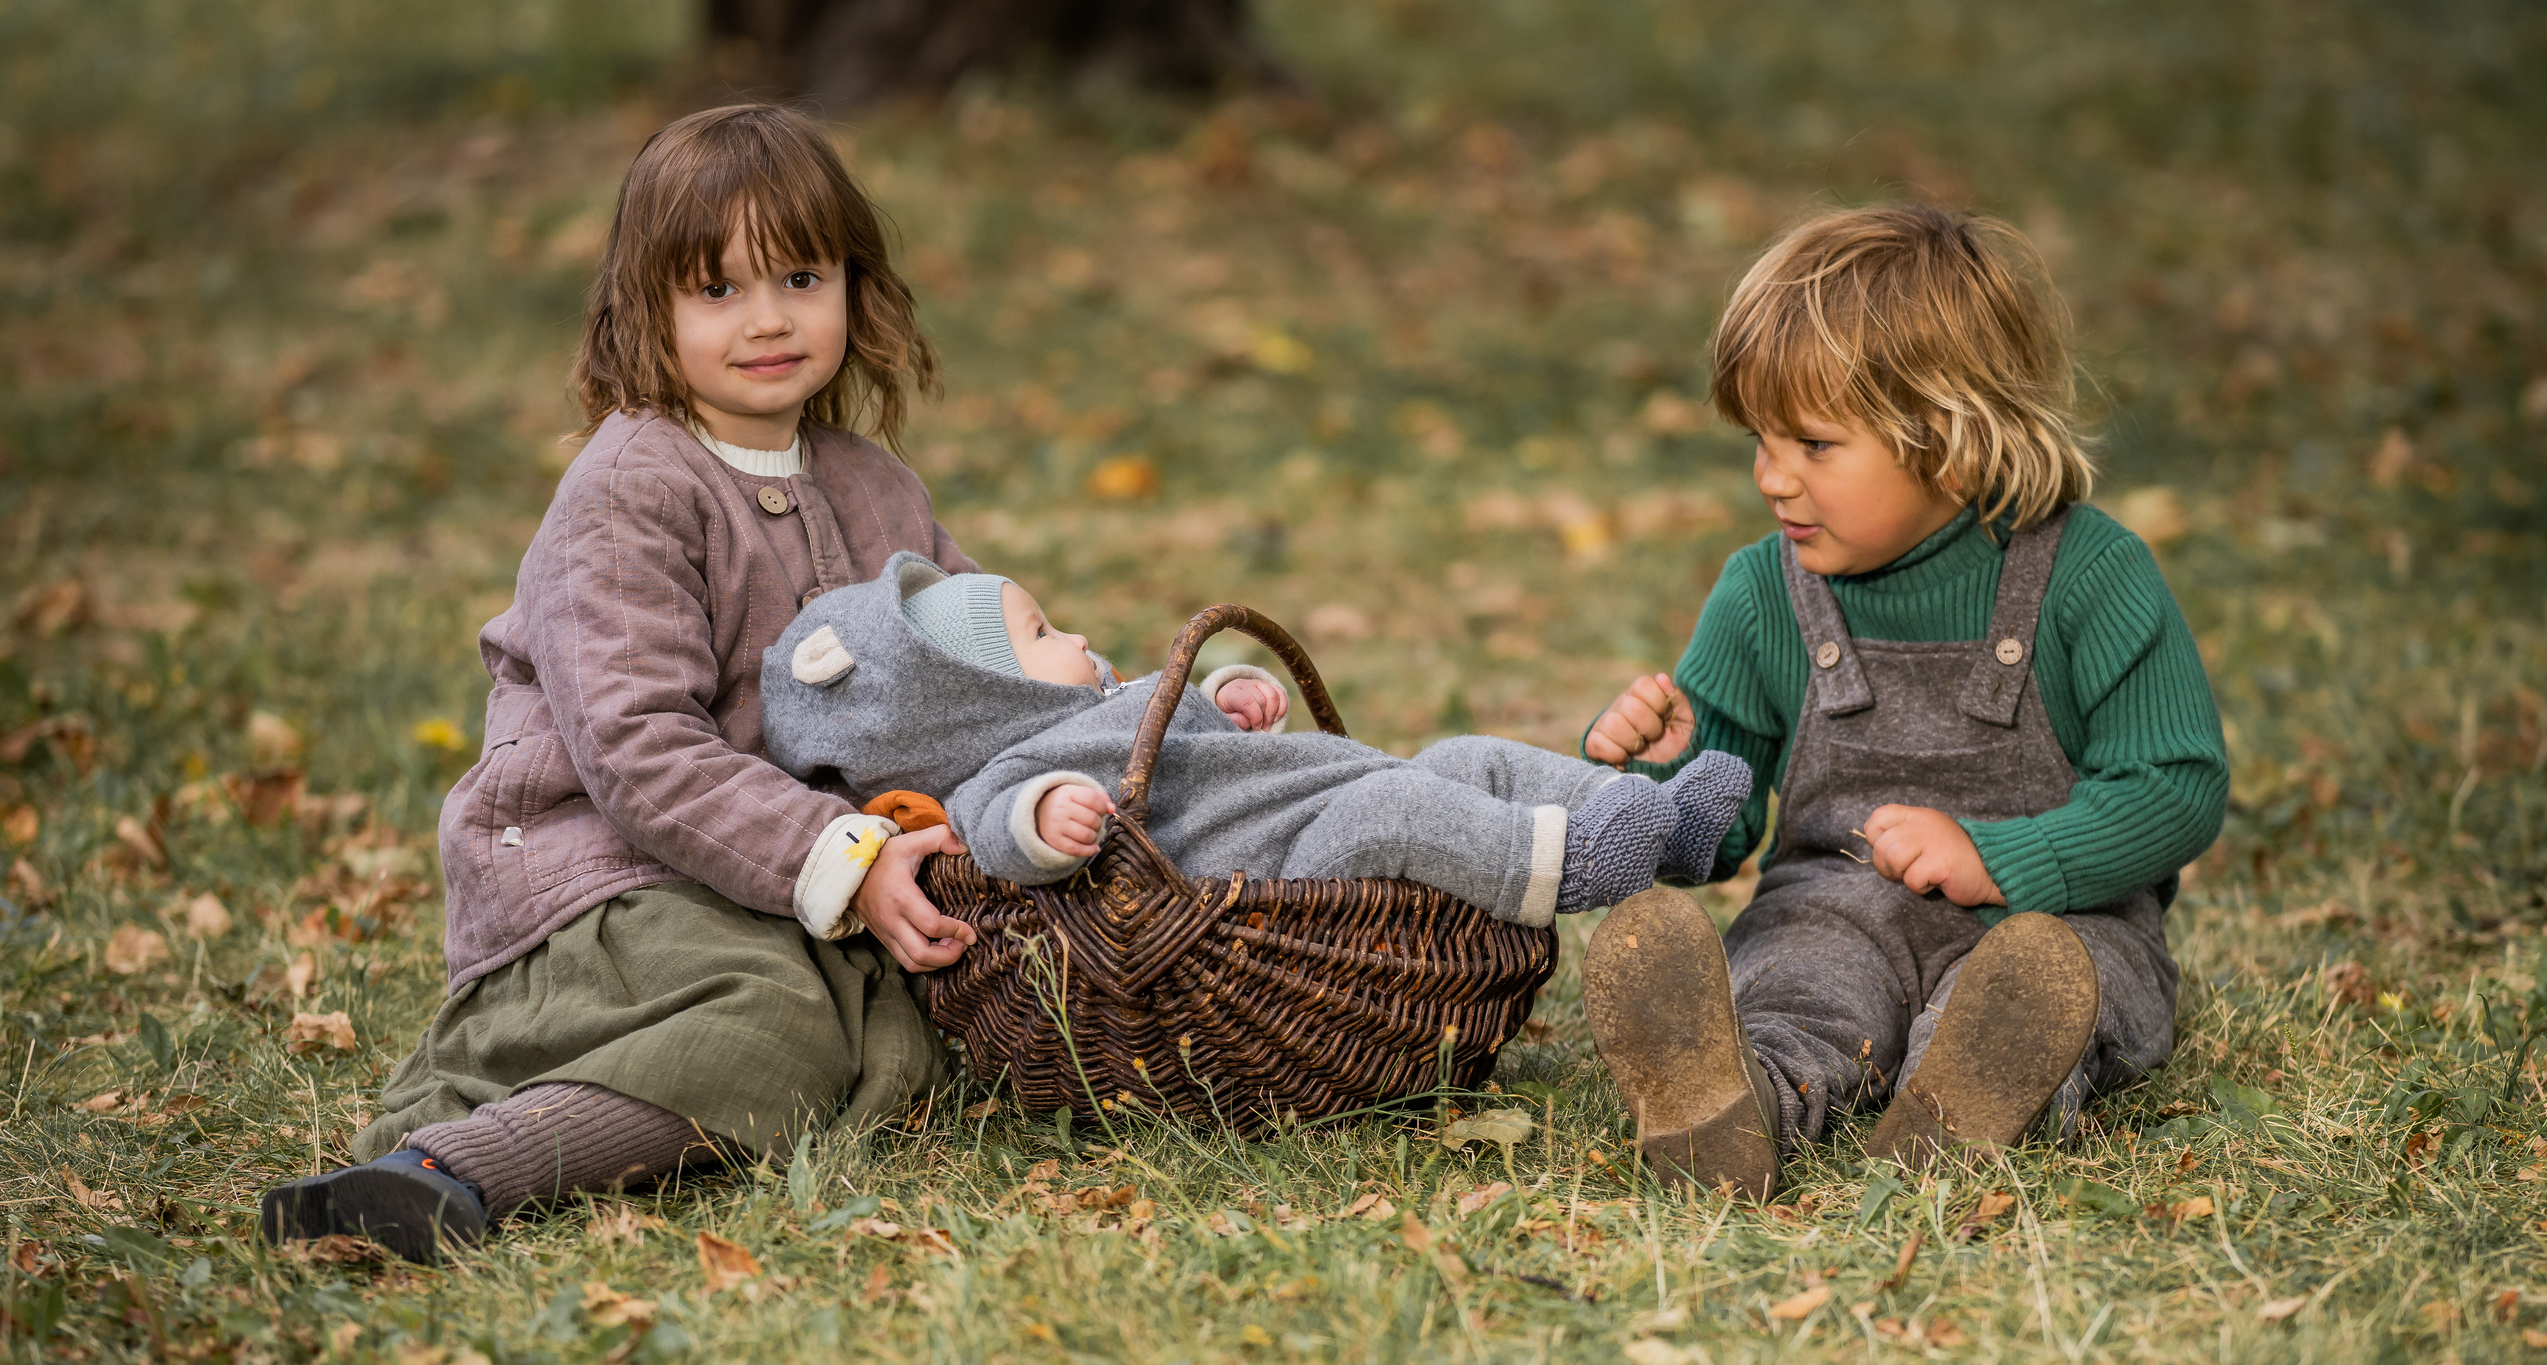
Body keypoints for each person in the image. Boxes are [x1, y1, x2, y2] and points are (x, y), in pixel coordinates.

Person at [261, 105, 986, 1263]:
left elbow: (981, 664)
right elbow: (640, 752)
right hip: (607, 884)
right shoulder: (630, 491)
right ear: (647, 308)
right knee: (782, 1024)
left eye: (801, 278)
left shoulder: (875, 487)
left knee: (906, 1031)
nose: (768, 319)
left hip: (766, 882)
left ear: (855, 285)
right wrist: (842, 857)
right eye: (717, 289)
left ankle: (689, 1072)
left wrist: (1137, 716)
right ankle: (444, 1172)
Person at [1577, 203, 2227, 1197]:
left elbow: (2176, 785)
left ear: (1952, 443)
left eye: (1812, 444)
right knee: (1796, 984)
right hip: (1834, 905)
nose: (1770, 477)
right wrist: (1661, 779)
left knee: (2053, 985)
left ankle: (1960, 1107)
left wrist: (2002, 858)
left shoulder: (2092, 576)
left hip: (2053, 917)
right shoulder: (1761, 594)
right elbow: (1716, 834)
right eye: (1759, 439)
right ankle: (1731, 1107)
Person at [760, 559, 1755, 927]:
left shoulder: (1119, 703)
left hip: (1321, 793)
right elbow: (992, 827)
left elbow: (1183, 724)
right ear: (984, 699)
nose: (1076, 636)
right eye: (1042, 634)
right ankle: (1576, 867)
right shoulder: (1015, 765)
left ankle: (1662, 827)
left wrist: (1225, 695)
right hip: (1272, 872)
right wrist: (1042, 819)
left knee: (1463, 761)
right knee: (1400, 808)